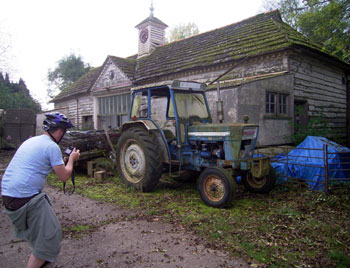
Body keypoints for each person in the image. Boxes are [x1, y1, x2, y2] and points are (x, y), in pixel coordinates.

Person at [1, 112, 80, 268]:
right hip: (25, 196)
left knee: (41, 238)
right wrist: (71, 159)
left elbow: (38, 165)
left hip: (10, 194)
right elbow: (64, 176)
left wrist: (62, 162)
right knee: (51, 235)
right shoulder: (52, 146)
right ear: (60, 131)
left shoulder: (32, 141)